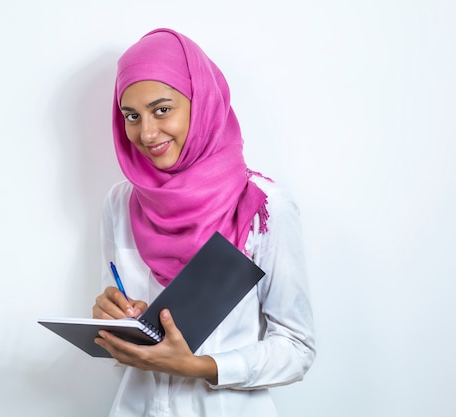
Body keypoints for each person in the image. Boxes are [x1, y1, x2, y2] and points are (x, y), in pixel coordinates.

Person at [92, 28, 315, 417]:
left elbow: (297, 348)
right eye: (132, 116)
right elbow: (127, 339)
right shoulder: (121, 202)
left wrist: (199, 367)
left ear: (202, 103)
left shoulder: (262, 207)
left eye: (162, 110)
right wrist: (112, 321)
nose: (145, 133)